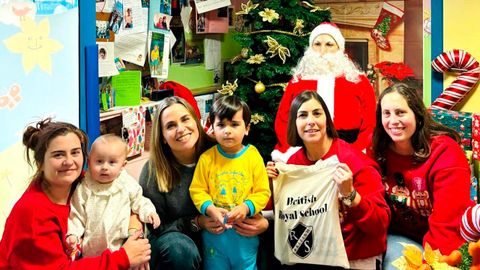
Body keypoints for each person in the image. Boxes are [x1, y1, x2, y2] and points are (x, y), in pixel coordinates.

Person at [0, 118, 151, 269]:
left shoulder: (83, 182)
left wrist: (135, 239)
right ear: (41, 164)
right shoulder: (33, 213)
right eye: (58, 155)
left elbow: (130, 200)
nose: (69, 161)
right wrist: (123, 257)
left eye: (75, 152)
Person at [138, 96, 269, 270]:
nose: (181, 129)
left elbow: (257, 187)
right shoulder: (154, 171)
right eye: (171, 125)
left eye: (185, 119)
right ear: (162, 136)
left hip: (233, 238)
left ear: (197, 122)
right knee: (179, 248)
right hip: (181, 248)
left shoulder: (223, 148)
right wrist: (196, 222)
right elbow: (155, 229)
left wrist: (262, 223)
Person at [267, 91, 390, 269]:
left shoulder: (356, 163)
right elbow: (284, 214)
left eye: (317, 113)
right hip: (313, 255)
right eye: (302, 115)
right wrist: (271, 186)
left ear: (327, 119)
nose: (311, 121)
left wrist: (351, 195)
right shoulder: (293, 165)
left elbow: (380, 225)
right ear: (294, 123)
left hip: (355, 257)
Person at [370, 83, 473, 264]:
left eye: (400, 112)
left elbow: (447, 228)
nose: (393, 120)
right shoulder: (377, 151)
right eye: (386, 114)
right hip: (400, 237)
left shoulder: (445, 153)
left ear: (417, 115)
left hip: (446, 245)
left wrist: (426, 265)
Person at [273, 22, 376, 162]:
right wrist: (292, 150)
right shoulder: (297, 82)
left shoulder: (358, 81)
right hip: (305, 149)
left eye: (329, 44)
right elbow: (283, 119)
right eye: (317, 44)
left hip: (350, 147)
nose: (322, 51)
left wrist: (358, 149)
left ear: (340, 49)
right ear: (310, 48)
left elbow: (371, 121)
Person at [189, 95, 271, 269]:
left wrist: (246, 207)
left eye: (234, 124)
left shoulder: (253, 156)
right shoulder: (207, 158)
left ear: (247, 128)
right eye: (221, 125)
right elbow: (197, 190)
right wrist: (209, 209)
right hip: (215, 236)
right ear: (212, 128)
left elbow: (263, 192)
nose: (227, 130)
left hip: (245, 235)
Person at [66, 134, 160, 258]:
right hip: (92, 251)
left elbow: (139, 201)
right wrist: (73, 234)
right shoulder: (85, 187)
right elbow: (76, 214)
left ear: (122, 166)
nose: (105, 167)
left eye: (112, 162)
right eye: (99, 161)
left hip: (120, 246)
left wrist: (149, 213)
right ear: (89, 162)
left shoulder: (126, 183)